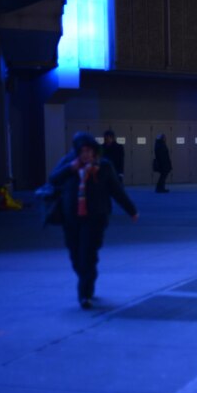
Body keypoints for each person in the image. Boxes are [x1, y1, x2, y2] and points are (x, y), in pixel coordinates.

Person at [50, 132, 138, 309]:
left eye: (89, 151)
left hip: (96, 218)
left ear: (95, 151)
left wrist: (131, 210)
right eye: (82, 151)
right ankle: (86, 280)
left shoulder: (103, 167)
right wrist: (70, 169)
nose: (86, 155)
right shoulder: (69, 163)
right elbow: (53, 179)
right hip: (72, 218)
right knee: (75, 256)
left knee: (87, 256)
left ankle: (85, 294)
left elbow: (116, 190)